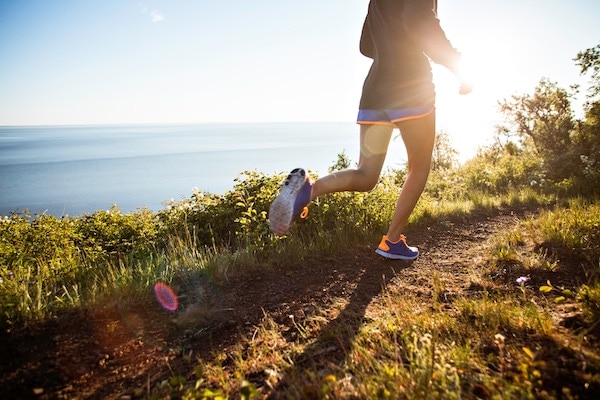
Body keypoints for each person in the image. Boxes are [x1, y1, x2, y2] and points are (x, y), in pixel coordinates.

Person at [268, 0, 472, 260]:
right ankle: (392, 241)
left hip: (375, 90)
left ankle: (308, 190)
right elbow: (419, 22)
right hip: (411, 88)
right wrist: (458, 65)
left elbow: (366, 45)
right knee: (418, 168)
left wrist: (389, 44)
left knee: (366, 174)